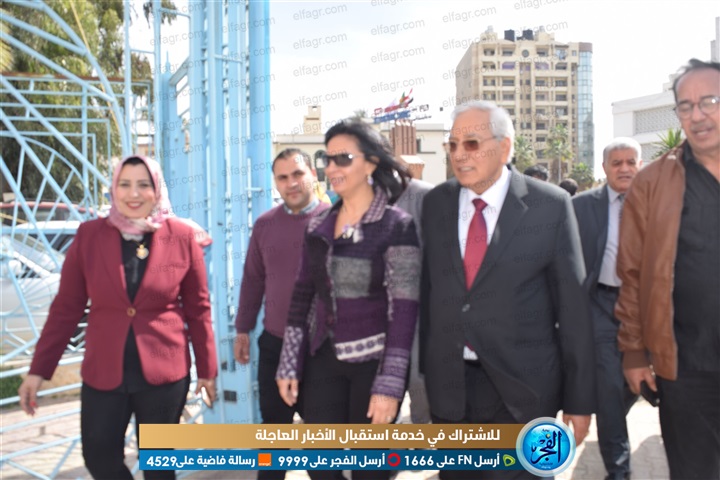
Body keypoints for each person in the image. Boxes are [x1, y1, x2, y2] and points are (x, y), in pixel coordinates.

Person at [420, 100, 596, 480]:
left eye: (471, 144)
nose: (459, 155)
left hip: (524, 391)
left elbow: (574, 309)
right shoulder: (436, 204)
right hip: (452, 392)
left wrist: (580, 400)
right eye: (452, 145)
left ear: (504, 147)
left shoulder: (550, 205)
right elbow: (428, 292)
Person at [18, 155, 218, 480]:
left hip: (164, 373)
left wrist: (207, 370)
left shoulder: (182, 237)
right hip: (104, 370)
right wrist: (38, 370)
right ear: (113, 189)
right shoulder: (89, 236)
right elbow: (66, 308)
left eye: (143, 185)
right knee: (98, 456)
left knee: (158, 464)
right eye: (124, 184)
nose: (133, 194)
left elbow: (198, 308)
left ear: (157, 189)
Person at [276, 119, 420, 480]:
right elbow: (302, 298)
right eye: (328, 158)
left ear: (371, 163)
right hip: (323, 360)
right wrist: (289, 363)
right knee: (320, 467)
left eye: (343, 158)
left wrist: (390, 385)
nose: (332, 168)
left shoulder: (396, 225)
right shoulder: (319, 225)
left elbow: (403, 312)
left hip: (375, 366)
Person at [616, 58, 720, 479]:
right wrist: (634, 352)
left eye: (710, 101)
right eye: (686, 106)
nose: (698, 115)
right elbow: (632, 274)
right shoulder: (653, 183)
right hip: (685, 368)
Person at [234, 148, 330, 480]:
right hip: (274, 345)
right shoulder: (265, 225)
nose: (291, 183)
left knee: (321, 448)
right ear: (275, 183)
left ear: (313, 175)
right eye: (283, 177)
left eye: (298, 174)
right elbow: (253, 279)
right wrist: (243, 329)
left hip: (321, 351)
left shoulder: (336, 221)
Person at [573, 138, 643, 480]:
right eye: (617, 163)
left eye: (631, 162)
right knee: (610, 387)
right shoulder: (581, 206)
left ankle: (611, 415)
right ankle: (619, 471)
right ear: (604, 168)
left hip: (646, 308)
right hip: (601, 305)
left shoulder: (656, 203)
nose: (624, 168)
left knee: (633, 387)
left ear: (640, 166)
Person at [394, 160, 433, 425]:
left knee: (421, 383)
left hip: (421, 310)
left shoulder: (425, 196)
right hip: (378, 315)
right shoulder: (359, 200)